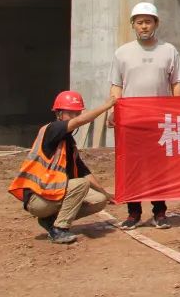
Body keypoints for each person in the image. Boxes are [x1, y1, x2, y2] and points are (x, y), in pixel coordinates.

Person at [107, 1, 180, 230]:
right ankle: (133, 213)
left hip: (159, 121)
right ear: (133, 24)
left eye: (148, 22)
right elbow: (116, 85)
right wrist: (114, 110)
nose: (144, 26)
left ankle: (160, 212)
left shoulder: (168, 50)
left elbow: (177, 83)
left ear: (156, 24)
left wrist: (177, 112)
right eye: (139, 22)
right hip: (131, 121)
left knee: (158, 167)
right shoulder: (122, 53)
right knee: (132, 167)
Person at [8, 91, 117, 244]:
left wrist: (105, 193)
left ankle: (51, 220)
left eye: (77, 113)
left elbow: (84, 172)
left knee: (99, 199)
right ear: (59, 113)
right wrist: (107, 106)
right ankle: (59, 229)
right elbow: (80, 121)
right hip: (38, 198)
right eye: (70, 113)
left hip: (52, 194)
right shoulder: (51, 129)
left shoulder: (68, 142)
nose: (75, 116)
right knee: (81, 184)